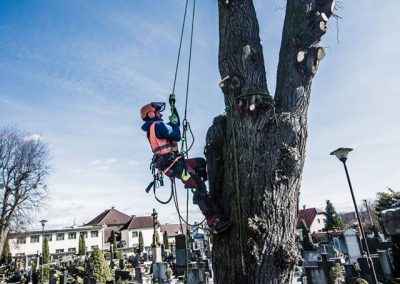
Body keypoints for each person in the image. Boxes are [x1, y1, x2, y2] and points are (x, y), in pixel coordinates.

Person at [140, 97, 231, 234]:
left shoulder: (153, 128)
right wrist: (175, 124)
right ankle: (213, 222)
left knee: (200, 163)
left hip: (176, 163)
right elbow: (176, 135)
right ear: (151, 114)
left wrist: (173, 108)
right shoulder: (157, 125)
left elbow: (171, 130)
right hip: (176, 166)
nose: (161, 114)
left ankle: (200, 192)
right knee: (199, 186)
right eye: (159, 112)